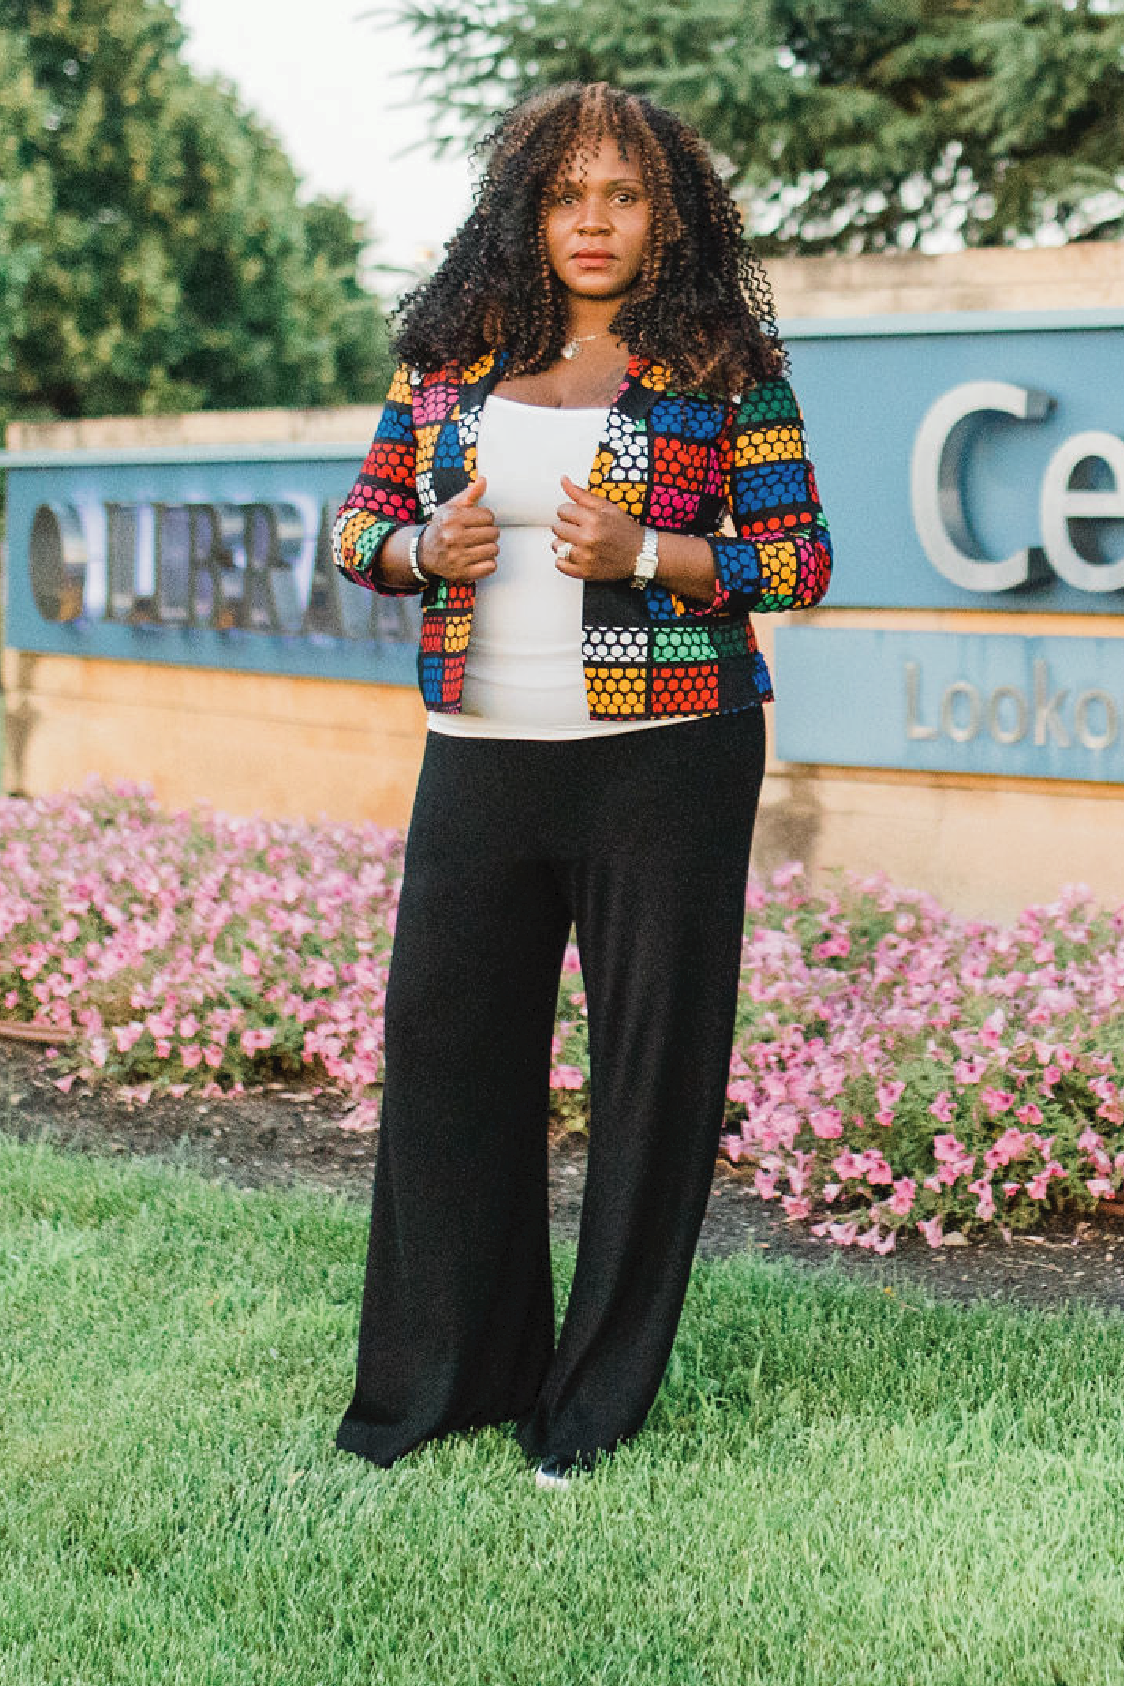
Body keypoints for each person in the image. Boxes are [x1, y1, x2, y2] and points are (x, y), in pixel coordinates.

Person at [321, 83, 833, 1486]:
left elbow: (798, 561)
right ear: (522, 214)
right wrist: (428, 549)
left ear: (667, 216)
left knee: (650, 1076)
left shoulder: (723, 371)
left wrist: (654, 558)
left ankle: (591, 1409)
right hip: (482, 752)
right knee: (444, 1054)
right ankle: (442, 1383)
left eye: (622, 195)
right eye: (566, 195)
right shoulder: (448, 367)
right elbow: (357, 530)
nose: (593, 222)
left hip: (668, 753)